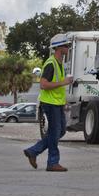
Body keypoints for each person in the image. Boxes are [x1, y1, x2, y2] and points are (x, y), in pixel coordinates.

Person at [23, 36, 73, 172]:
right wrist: (64, 82)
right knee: (55, 132)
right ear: (59, 48)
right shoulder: (51, 63)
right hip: (50, 103)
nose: (68, 48)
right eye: (66, 46)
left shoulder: (59, 63)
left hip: (56, 103)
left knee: (59, 131)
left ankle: (34, 151)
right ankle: (52, 162)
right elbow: (43, 85)